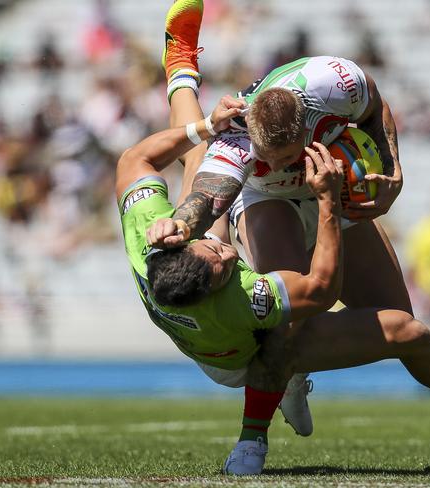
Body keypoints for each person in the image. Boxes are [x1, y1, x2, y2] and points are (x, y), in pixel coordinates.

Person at [116, 104, 430, 476]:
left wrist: (199, 115)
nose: (229, 254)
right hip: (240, 348)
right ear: (220, 286)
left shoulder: (148, 241)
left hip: (219, 281)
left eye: (211, 250)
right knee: (396, 334)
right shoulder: (246, 299)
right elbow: (321, 289)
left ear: (173, 247)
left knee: (199, 161)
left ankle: (180, 58)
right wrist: (325, 204)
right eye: (223, 263)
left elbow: (134, 159)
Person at [152, 0, 413, 434]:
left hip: (326, 186)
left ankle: (291, 365)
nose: (276, 165)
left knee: (398, 320)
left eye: (285, 157)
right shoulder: (236, 140)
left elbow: (373, 105)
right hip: (264, 201)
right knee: (197, 161)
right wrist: (180, 225)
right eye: (266, 157)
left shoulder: (334, 81)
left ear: (306, 126)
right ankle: (180, 63)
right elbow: (203, 194)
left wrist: (392, 168)